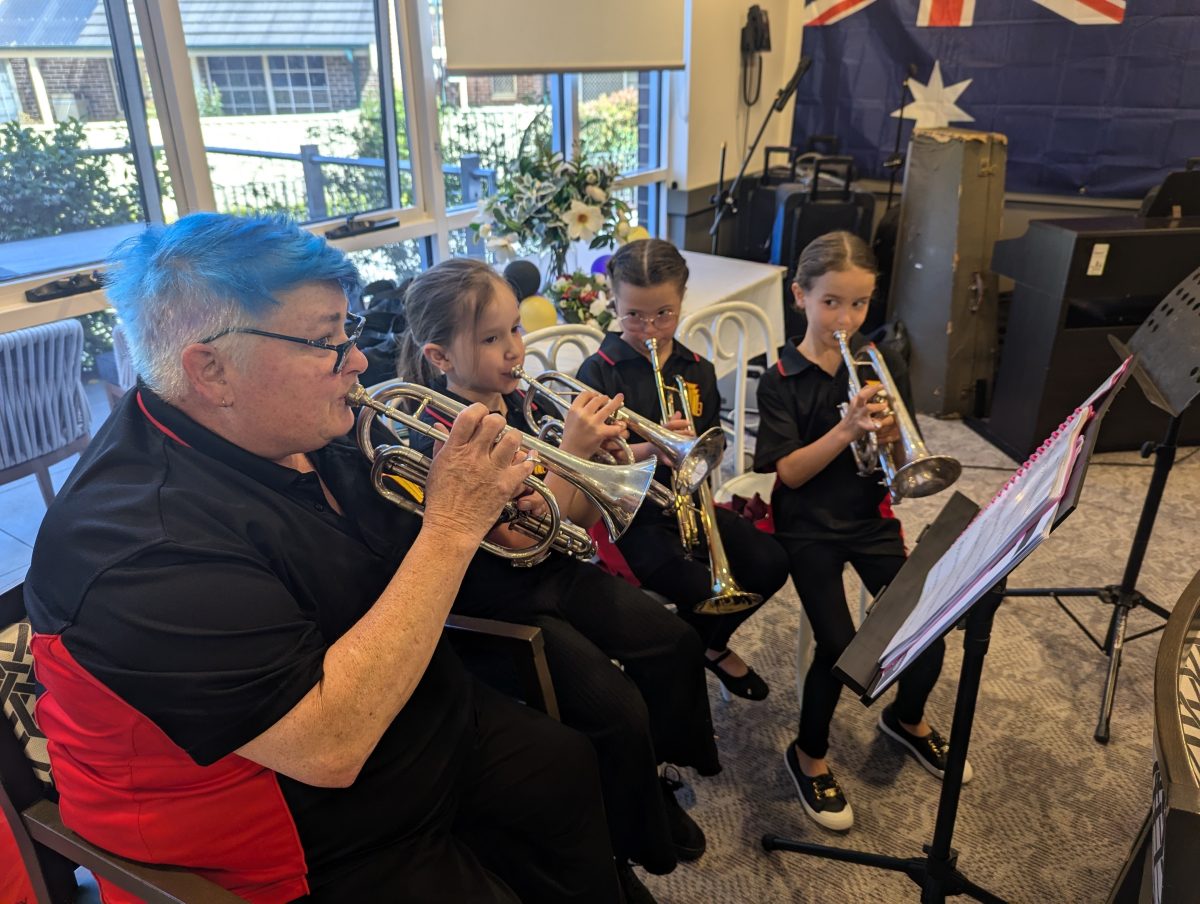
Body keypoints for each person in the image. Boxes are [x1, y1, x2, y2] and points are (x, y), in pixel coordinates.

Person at [22, 213, 621, 903]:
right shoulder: (134, 546)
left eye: (349, 331)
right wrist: (454, 522)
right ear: (210, 369)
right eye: (325, 341)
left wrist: (508, 500)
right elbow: (329, 747)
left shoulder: (303, 429)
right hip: (317, 832)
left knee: (571, 767)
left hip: (417, 719)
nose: (359, 361)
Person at [396, 258, 722, 904]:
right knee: (616, 710)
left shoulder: (513, 396)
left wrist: (629, 450)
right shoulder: (440, 431)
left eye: (515, 329)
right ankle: (630, 839)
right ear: (439, 356)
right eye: (491, 339)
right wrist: (574, 454)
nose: (515, 349)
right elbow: (522, 534)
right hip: (501, 599)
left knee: (675, 644)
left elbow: (566, 497)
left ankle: (649, 777)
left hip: (556, 566)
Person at [752, 230, 972, 833]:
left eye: (858, 304)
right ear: (800, 296)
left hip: (871, 517)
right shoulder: (778, 376)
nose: (845, 319)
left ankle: (906, 719)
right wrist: (848, 430)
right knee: (841, 645)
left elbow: (902, 454)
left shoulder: (881, 360)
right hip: (807, 528)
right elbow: (789, 472)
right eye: (831, 303)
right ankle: (809, 754)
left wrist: (890, 436)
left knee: (926, 621)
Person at [576, 238, 789, 701]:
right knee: (699, 589)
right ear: (613, 298)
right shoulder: (598, 372)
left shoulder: (699, 369)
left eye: (664, 314)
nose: (650, 329)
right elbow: (589, 465)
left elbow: (712, 445)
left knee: (771, 563)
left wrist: (693, 446)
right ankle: (677, 661)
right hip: (633, 520)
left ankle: (701, 649)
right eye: (634, 314)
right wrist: (653, 446)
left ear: (682, 300)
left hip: (691, 503)